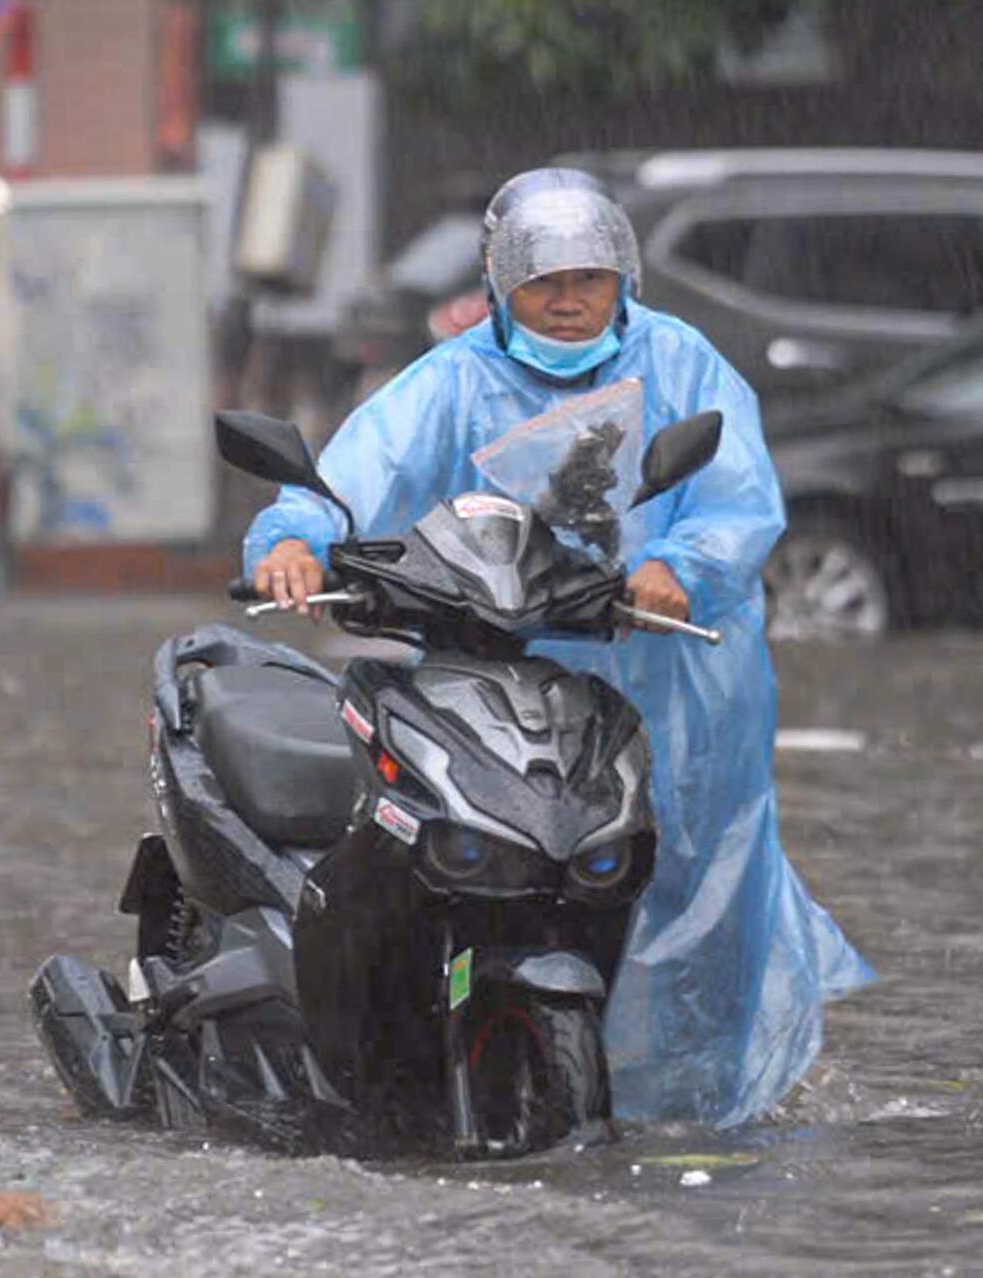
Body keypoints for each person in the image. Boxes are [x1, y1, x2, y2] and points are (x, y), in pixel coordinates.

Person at [245, 167, 873, 1128]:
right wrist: (295, 538)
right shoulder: (454, 379)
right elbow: (352, 476)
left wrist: (677, 566)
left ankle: (704, 1104)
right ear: (502, 286)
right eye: (545, 282)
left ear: (624, 279)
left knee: (694, 879)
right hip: (513, 662)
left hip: (680, 672)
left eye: (589, 278)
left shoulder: (682, 362)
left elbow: (737, 499)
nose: (570, 300)